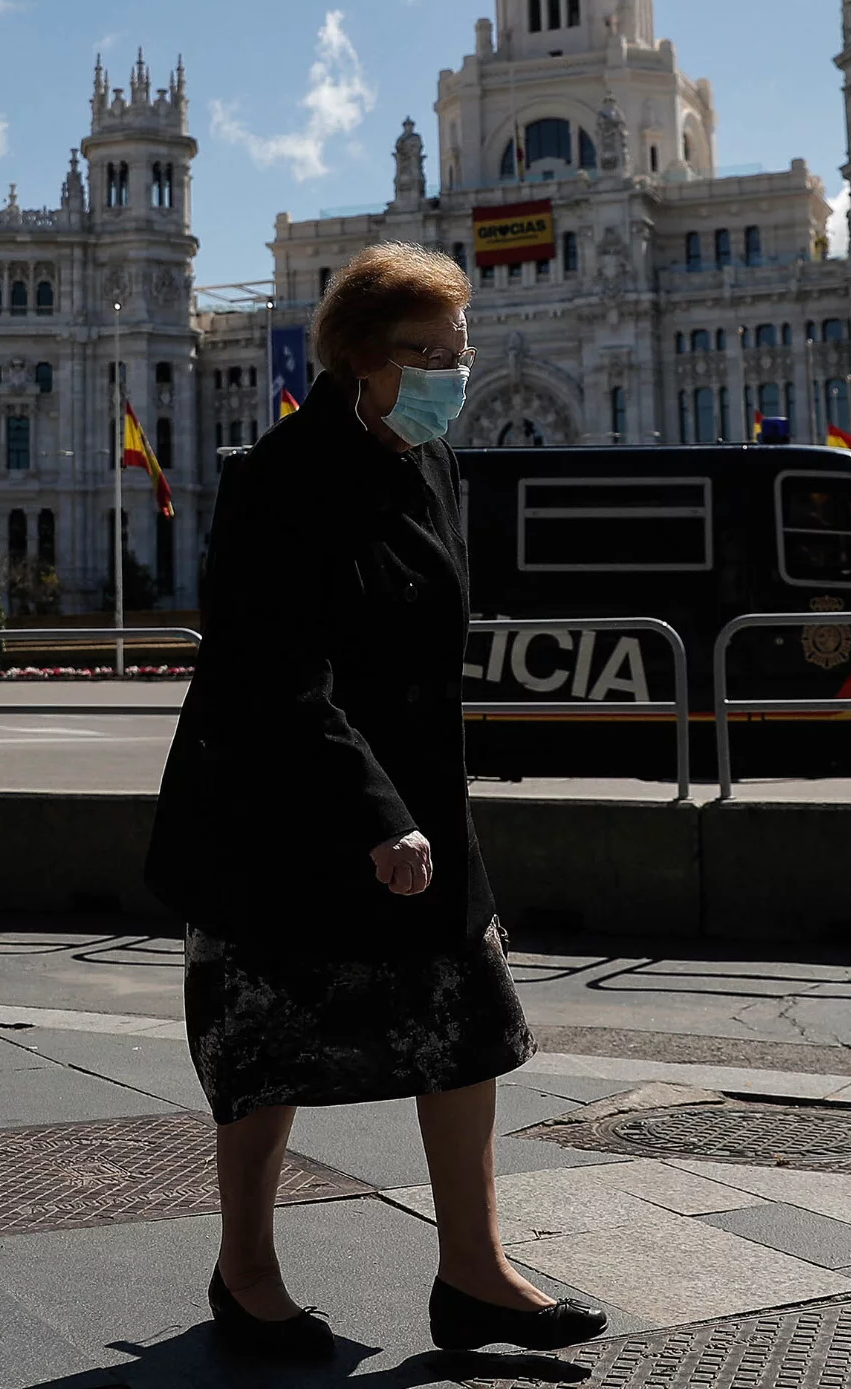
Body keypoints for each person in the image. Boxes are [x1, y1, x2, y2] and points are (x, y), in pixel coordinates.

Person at [147, 243, 606, 1363]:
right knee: (267, 1040)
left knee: (468, 1027)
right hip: (281, 807)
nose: (455, 370)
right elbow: (273, 671)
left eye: (461, 348)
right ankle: (246, 1273)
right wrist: (375, 811)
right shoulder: (279, 476)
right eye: (429, 351)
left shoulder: (436, 464)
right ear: (358, 357)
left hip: (413, 809)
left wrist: (446, 830)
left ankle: (474, 1273)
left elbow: (425, 671)